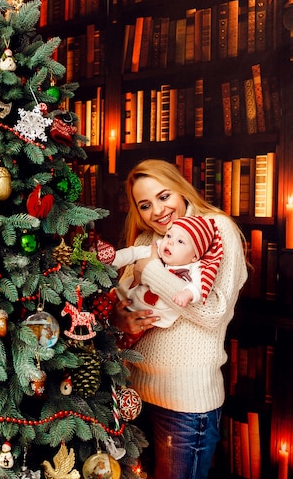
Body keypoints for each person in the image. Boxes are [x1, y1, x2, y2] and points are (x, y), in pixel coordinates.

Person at [109, 159, 247, 479]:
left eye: (163, 196)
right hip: (134, 397)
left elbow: (213, 312)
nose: (157, 211)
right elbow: (126, 303)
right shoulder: (146, 241)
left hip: (186, 406)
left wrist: (153, 272)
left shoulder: (216, 229)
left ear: (182, 190)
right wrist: (120, 319)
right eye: (145, 205)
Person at [112, 215, 223, 328]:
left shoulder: (195, 267)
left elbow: (200, 286)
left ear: (195, 256)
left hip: (152, 319)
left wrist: (188, 293)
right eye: (169, 236)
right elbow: (132, 253)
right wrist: (111, 260)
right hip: (124, 298)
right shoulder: (156, 250)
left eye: (180, 241)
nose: (170, 242)